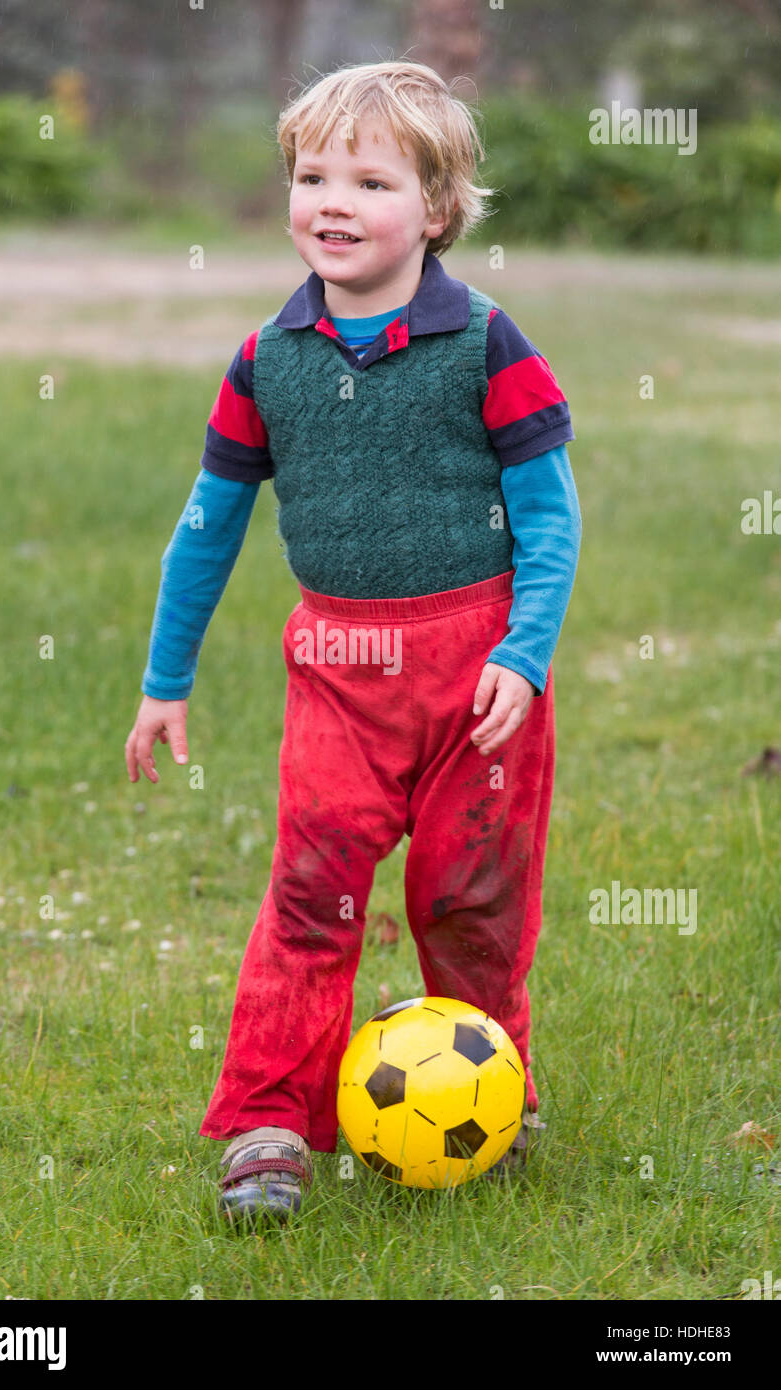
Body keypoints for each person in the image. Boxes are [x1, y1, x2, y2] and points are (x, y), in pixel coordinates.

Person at [125, 59, 581, 1224]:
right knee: (310, 890)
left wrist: (522, 657)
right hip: (338, 669)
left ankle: (497, 1086)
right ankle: (270, 1121)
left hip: (475, 669)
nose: (330, 199)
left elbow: (548, 518)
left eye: (368, 180)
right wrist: (164, 679)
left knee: (471, 897)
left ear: (433, 210)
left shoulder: (486, 344)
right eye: (310, 173)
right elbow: (205, 526)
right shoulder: (266, 358)